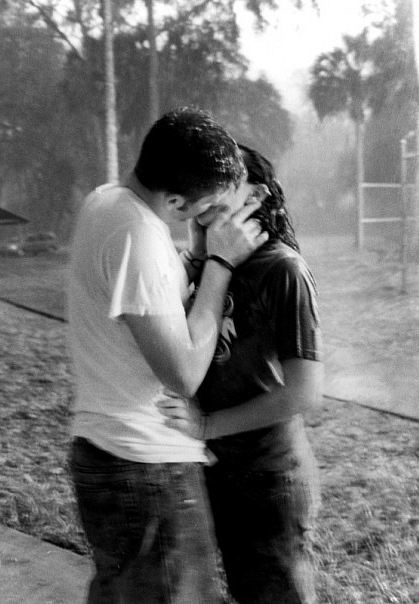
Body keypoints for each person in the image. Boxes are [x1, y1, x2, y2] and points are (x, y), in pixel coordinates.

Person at [67, 108, 268, 604]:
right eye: (209, 205)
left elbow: (149, 299)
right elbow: (183, 372)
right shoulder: (137, 236)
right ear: (176, 201)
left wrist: (196, 253)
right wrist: (220, 263)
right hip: (144, 468)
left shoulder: (108, 200)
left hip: (108, 451)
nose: (216, 215)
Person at [159, 145, 323, 604]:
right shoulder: (212, 262)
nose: (205, 192)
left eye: (224, 180)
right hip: (217, 471)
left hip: (270, 476)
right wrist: (199, 254)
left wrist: (207, 426)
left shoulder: (283, 269)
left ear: (257, 194)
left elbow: (305, 392)